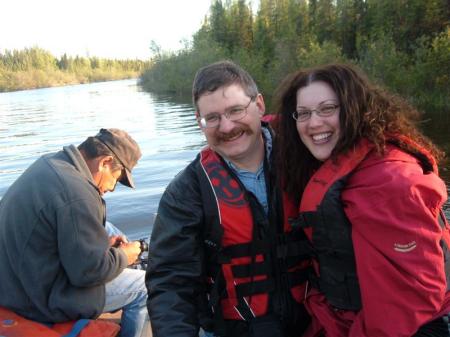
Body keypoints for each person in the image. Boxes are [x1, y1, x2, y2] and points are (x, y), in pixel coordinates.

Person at [273, 63, 450, 337]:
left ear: (355, 109)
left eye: (327, 108)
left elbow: (405, 311)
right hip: (338, 319)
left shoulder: (390, 183)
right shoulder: (342, 159)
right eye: (304, 113)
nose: (314, 122)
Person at [146, 60, 312, 337]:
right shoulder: (186, 192)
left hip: (316, 322)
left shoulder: (307, 156)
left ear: (259, 105)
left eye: (236, 110)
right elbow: (171, 283)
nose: (226, 126)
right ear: (199, 123)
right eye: (212, 118)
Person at [0, 128, 150, 337]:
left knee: (107, 227)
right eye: (117, 178)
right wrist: (124, 256)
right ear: (105, 162)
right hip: (36, 298)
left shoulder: (51, 163)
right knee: (146, 286)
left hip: (14, 280)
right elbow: (88, 274)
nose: (113, 187)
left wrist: (103, 247)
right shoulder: (77, 193)